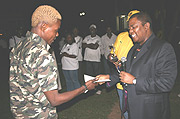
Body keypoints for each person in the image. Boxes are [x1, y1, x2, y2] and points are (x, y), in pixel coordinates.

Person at [9, 5, 97, 119]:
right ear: (44, 26)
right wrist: (84, 88)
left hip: (19, 113)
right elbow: (54, 100)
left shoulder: (19, 46)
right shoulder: (42, 54)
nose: (57, 35)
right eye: (55, 30)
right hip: (39, 114)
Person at [97, 11, 177, 119]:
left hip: (151, 110)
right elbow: (126, 72)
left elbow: (166, 83)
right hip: (133, 108)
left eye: (133, 27)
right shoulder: (134, 49)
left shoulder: (163, 48)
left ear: (146, 26)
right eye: (129, 29)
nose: (130, 32)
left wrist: (135, 81)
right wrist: (108, 77)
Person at [82, 24, 103, 94]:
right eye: (91, 29)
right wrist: (91, 45)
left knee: (97, 75)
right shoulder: (86, 37)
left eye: (93, 29)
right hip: (88, 59)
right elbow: (83, 45)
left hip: (96, 59)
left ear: (95, 30)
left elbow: (95, 47)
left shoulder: (98, 38)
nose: (92, 30)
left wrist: (88, 45)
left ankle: (98, 89)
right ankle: (90, 88)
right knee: (89, 75)